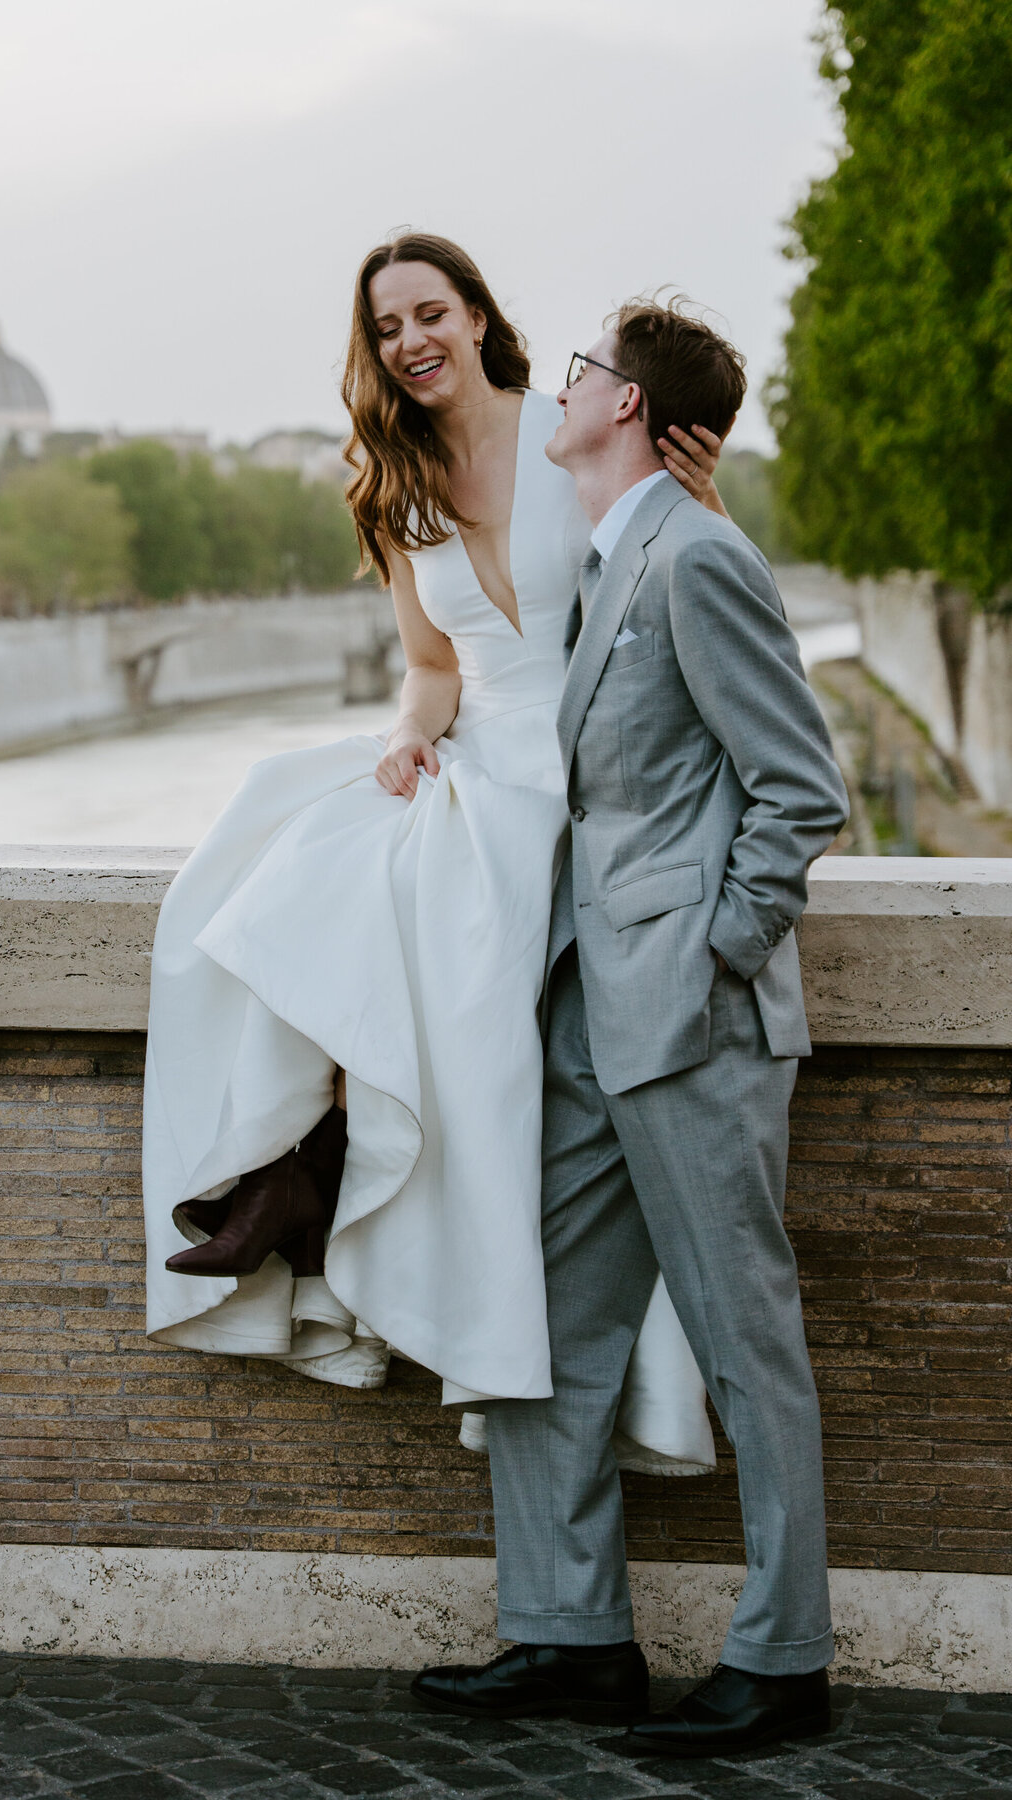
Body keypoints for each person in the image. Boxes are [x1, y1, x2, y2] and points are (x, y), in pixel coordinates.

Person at [141, 236, 722, 1472]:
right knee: (283, 845)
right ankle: (298, 1157)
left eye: (428, 313)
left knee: (425, 899)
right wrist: (407, 739)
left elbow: (682, 572)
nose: (409, 341)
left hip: (595, 772)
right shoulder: (393, 485)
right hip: (483, 755)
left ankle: (321, 1163)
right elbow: (431, 668)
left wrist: (704, 496)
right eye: (387, 325)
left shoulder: (567, 430)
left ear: (476, 318)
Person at [412, 300, 850, 1756]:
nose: (567, 380)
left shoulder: (699, 556)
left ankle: (784, 1664)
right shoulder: (616, 555)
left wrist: (718, 957)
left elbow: (798, 788)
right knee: (541, 1315)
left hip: (691, 1018)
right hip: (592, 1010)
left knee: (746, 1341)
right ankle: (568, 1632)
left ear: (631, 407)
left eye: (588, 368)